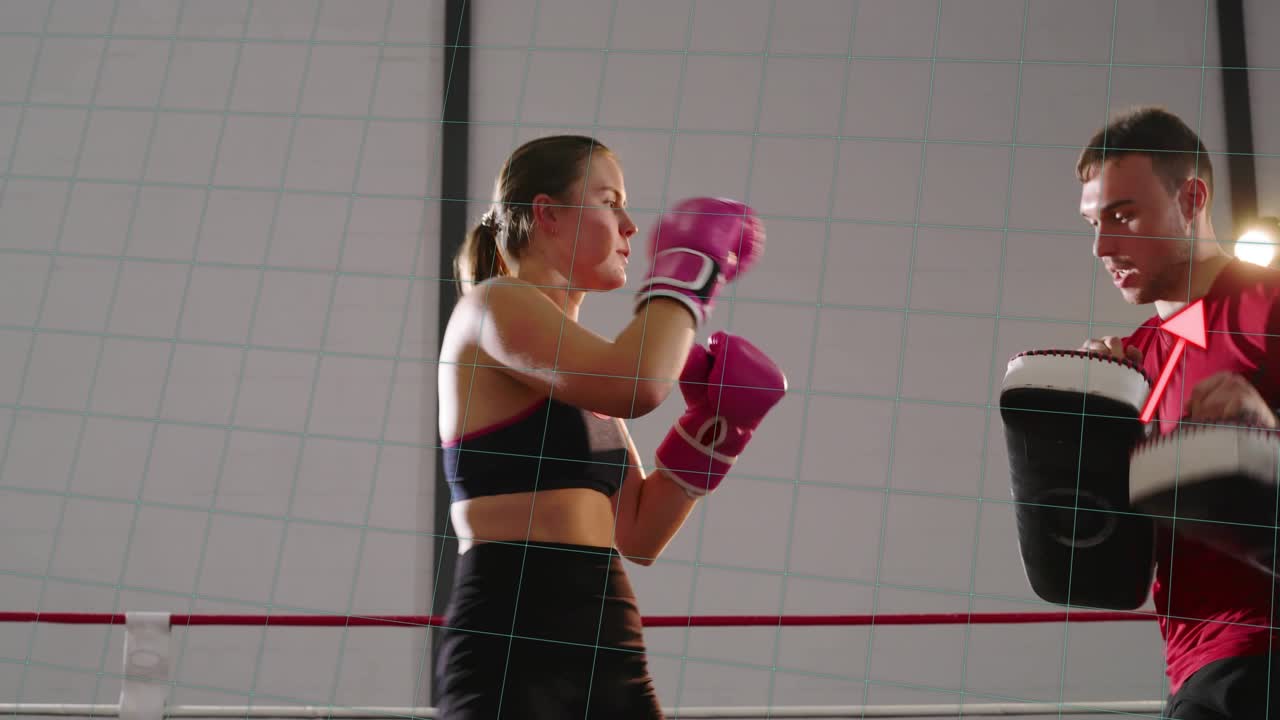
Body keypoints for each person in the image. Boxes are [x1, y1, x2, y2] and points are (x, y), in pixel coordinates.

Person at [433, 134, 788, 718]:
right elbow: (639, 384)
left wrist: (718, 427)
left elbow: (640, 533)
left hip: (608, 624)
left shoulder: (585, 374)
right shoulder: (493, 306)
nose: (630, 227)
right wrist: (689, 273)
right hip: (517, 625)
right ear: (548, 213)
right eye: (608, 201)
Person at [1077, 106, 1280, 717]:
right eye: (1093, 223)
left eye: (1123, 215)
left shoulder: (1266, 307)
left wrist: (1267, 436)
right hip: (1197, 670)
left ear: (1192, 197)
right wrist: (1094, 421)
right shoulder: (1136, 360)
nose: (1102, 246)